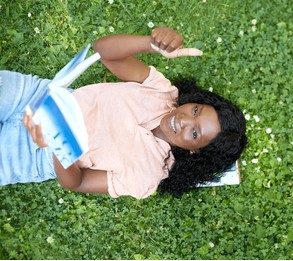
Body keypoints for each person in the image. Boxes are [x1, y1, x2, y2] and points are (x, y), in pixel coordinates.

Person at [0, 26, 247, 198]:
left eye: (195, 133)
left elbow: (77, 182)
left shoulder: (147, 176)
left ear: (194, 151)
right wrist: (150, 44)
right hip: (33, 96)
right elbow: (103, 50)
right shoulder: (162, 91)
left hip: (34, 154)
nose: (184, 120)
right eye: (195, 110)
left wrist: (57, 145)